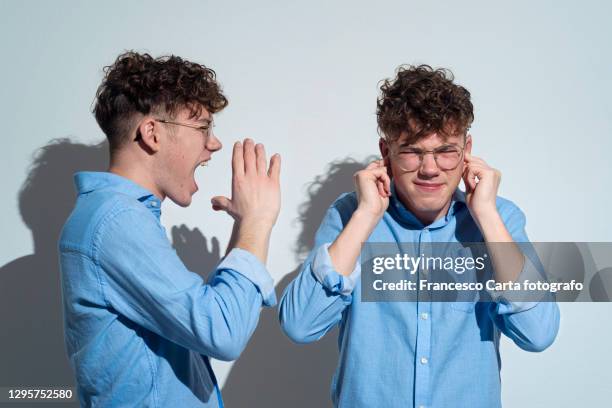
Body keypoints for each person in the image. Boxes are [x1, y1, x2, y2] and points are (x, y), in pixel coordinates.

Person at [279, 64, 560, 408]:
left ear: (466, 150)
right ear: (386, 152)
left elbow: (539, 334)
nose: (430, 168)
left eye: (446, 151)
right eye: (412, 151)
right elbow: (300, 325)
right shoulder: (350, 215)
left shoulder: (500, 218)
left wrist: (485, 215)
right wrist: (366, 216)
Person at [58, 51, 281, 407]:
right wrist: (258, 221)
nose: (214, 143)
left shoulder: (112, 218)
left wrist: (244, 230)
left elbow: (197, 325)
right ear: (152, 133)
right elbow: (222, 332)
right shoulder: (116, 223)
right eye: (202, 127)